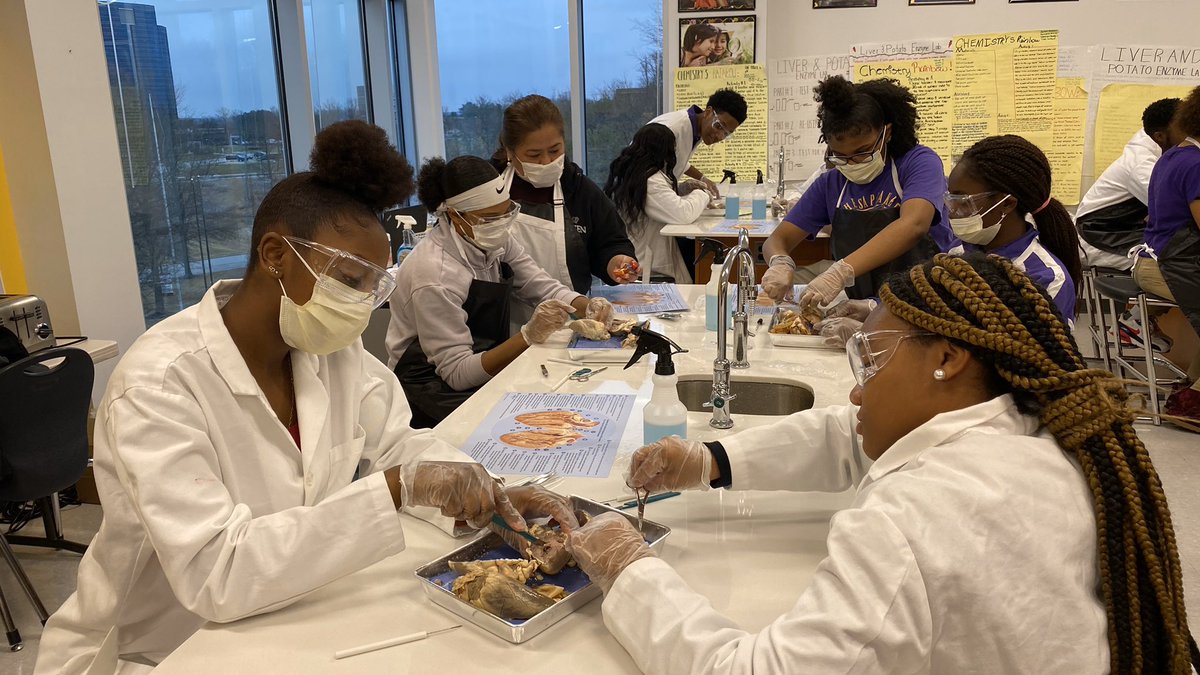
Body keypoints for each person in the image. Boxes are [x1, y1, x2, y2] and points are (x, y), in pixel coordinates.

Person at [35, 122, 577, 674]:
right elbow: (217, 572)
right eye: (351, 278)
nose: (362, 303)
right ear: (276, 254)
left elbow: (396, 446)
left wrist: (488, 495)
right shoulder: (159, 385)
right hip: (166, 648)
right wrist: (397, 488)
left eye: (373, 285)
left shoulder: (328, 350)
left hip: (290, 611)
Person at [565, 252, 1200, 674]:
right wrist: (708, 458)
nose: (857, 390)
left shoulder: (915, 520)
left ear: (946, 358)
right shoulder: (1034, 425)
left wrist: (631, 572)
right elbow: (851, 436)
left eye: (873, 357)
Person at [387, 155, 613, 428]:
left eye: (506, 213)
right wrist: (528, 335)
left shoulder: (494, 239)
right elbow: (457, 373)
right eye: (490, 218)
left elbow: (538, 283)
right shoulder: (434, 275)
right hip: (429, 388)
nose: (501, 224)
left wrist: (585, 305)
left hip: (477, 369)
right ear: (455, 215)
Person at [760, 75, 955, 310]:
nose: (853, 162)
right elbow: (777, 240)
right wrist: (780, 262)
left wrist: (840, 272)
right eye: (841, 156)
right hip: (864, 304)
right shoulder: (831, 183)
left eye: (863, 151)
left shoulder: (918, 162)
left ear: (887, 133)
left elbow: (914, 225)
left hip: (926, 303)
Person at [490, 95, 638, 315]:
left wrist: (616, 262)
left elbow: (610, 242)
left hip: (571, 315)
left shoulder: (580, 190)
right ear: (510, 152)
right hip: (504, 321)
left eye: (554, 150)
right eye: (534, 155)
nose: (546, 161)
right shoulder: (489, 187)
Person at [939, 135, 1079, 324]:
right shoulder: (956, 252)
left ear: (1007, 204)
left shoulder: (1047, 279)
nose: (952, 212)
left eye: (964, 202)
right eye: (951, 201)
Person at [1133, 85, 1200, 426]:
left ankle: (1191, 390)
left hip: (1155, 260)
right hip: (1170, 265)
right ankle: (1191, 404)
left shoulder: (1174, 156)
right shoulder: (1195, 162)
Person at [1076, 98, 1182, 271]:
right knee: (1180, 264)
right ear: (1160, 136)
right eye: (1186, 130)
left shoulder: (1163, 146)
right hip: (1100, 238)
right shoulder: (1141, 165)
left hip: (1127, 230)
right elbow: (1177, 209)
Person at [603, 123, 711, 283]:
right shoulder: (650, 180)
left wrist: (682, 189)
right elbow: (683, 213)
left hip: (640, 260)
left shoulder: (634, 173)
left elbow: (655, 202)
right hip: (648, 271)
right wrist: (702, 194)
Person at [646, 88, 747, 198]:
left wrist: (702, 178)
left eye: (726, 133)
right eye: (718, 126)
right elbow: (645, 177)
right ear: (708, 112)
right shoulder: (672, 129)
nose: (719, 136)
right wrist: (698, 199)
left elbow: (678, 159)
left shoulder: (696, 130)